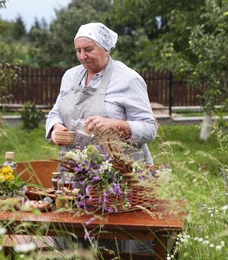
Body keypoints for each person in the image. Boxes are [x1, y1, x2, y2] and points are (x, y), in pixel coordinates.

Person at [45, 22, 157, 254]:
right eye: (78, 50)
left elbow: (149, 128)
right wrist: (55, 128)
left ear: (106, 48)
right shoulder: (70, 76)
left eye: (88, 49)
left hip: (118, 178)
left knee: (118, 241)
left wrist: (116, 125)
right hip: (75, 175)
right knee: (74, 238)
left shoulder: (128, 80)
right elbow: (56, 111)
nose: (82, 56)